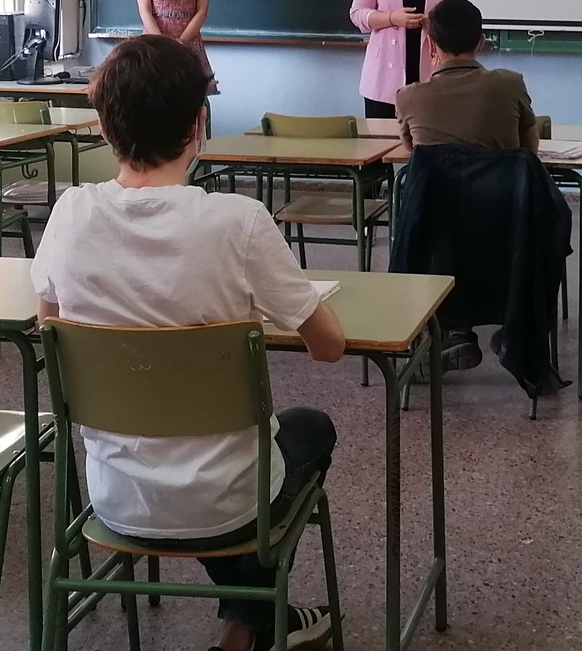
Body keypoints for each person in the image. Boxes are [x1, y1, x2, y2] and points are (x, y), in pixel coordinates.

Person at [32, 34, 348, 651]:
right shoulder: (238, 223)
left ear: (103, 126)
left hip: (113, 496)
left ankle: (243, 624)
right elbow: (329, 347)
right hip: (229, 505)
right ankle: (251, 621)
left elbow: (53, 326)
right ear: (198, 123)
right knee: (310, 425)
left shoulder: (70, 213)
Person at [395, 0, 539, 151]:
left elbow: (412, 150)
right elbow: (529, 151)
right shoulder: (512, 85)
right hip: (497, 176)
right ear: (481, 43)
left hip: (437, 176)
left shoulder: (408, 97)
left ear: (430, 44)